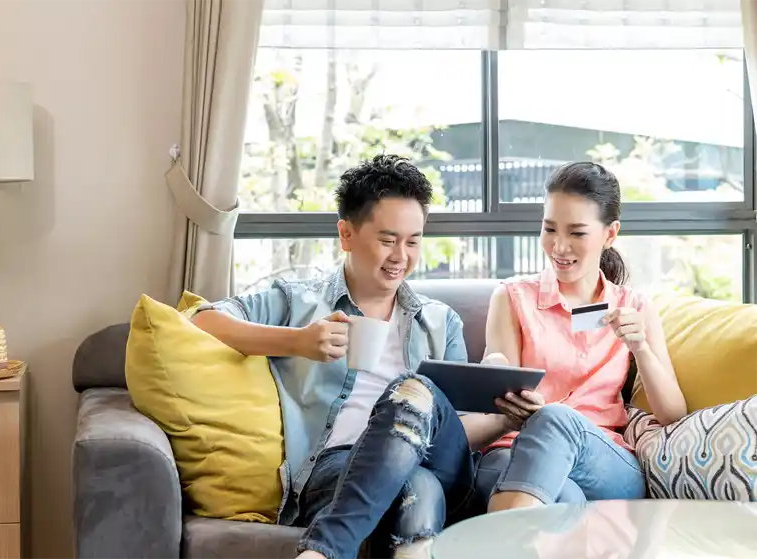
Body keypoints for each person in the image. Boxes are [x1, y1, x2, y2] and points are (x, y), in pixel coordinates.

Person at [191, 154, 511, 559]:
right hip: (336, 466)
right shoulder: (299, 301)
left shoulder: (439, 321)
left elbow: (456, 431)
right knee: (418, 488)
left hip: (436, 460)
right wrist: (298, 342)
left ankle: (322, 551)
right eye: (387, 239)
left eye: (413, 241)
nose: (401, 256)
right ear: (346, 234)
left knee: (415, 391)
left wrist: (503, 417)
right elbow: (200, 319)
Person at [474, 161, 688, 513]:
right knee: (565, 500)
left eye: (576, 233)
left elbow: (672, 414)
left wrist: (641, 348)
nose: (559, 246)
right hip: (514, 451)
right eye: (549, 229)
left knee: (556, 418)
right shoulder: (513, 297)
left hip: (602, 459)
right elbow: (498, 388)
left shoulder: (633, 306)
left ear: (610, 233)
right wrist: (495, 371)